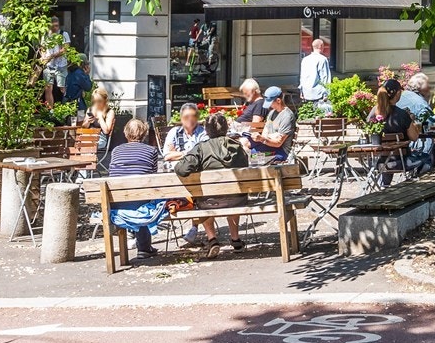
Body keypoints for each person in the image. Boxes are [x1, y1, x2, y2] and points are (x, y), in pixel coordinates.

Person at [173, 113, 250, 254]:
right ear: (226, 128)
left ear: (206, 130)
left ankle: (212, 239)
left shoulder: (200, 148)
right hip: (237, 200)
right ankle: (235, 238)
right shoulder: (237, 147)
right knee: (233, 193)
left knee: (201, 199)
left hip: (208, 201)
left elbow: (181, 169)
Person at [107, 119, 165, 258]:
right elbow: (152, 176)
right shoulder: (151, 150)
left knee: (138, 198)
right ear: (144, 134)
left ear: (126, 133)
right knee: (145, 199)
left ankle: (138, 241)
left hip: (117, 201)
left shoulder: (116, 151)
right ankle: (144, 248)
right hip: (141, 201)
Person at [376, 80, 416, 186]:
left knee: (387, 158)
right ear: (398, 93)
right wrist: (411, 120)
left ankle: (384, 187)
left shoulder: (374, 113)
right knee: (426, 158)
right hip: (401, 161)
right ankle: (415, 188)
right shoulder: (402, 114)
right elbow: (414, 137)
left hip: (378, 160)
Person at [249, 86, 296, 162]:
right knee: (247, 151)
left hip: (281, 151)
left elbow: (278, 143)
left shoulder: (287, 116)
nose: (269, 106)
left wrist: (262, 139)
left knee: (253, 157)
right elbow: (265, 132)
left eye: (270, 103)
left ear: (278, 100)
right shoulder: (272, 113)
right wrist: (265, 137)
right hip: (269, 146)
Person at [300, 37, 334, 108]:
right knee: (320, 113)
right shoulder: (322, 59)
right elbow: (325, 78)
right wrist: (326, 94)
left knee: (308, 112)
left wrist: (301, 90)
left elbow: (302, 77)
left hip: (306, 93)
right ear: (321, 46)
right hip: (318, 94)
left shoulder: (305, 59)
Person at [42, 26, 71, 105]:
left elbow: (65, 49)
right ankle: (50, 110)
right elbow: (43, 48)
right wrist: (43, 57)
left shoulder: (63, 34)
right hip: (48, 65)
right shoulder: (45, 35)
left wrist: (52, 56)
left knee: (62, 88)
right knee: (48, 89)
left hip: (61, 65)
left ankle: (66, 108)